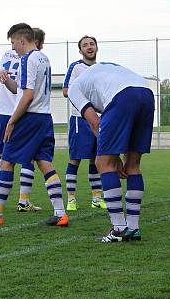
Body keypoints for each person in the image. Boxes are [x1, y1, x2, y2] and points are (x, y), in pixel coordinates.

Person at [0, 24, 68, 226]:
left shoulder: (27, 59)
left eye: (14, 42)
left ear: (22, 40)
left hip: (28, 119)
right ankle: (60, 213)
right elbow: (21, 90)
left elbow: (27, 96)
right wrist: (7, 81)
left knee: (6, 161)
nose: (13, 48)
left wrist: (12, 121)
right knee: (44, 163)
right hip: (44, 118)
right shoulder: (44, 58)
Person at [66, 62, 154, 243]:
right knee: (133, 165)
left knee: (102, 163)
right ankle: (133, 228)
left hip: (122, 96)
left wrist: (112, 156)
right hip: (146, 94)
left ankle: (119, 229)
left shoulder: (74, 88)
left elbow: (95, 123)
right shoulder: (103, 71)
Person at [0, 23, 41, 212]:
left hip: (6, 109)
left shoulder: (8, 56)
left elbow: (5, 78)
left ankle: (0, 199)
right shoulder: (31, 59)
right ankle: (21, 200)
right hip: (20, 109)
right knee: (26, 156)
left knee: (4, 155)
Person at [62, 35, 105, 211]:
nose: (89, 47)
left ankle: (96, 198)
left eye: (92, 44)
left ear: (96, 47)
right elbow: (66, 91)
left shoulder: (102, 69)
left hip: (99, 120)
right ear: (80, 50)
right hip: (80, 120)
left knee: (96, 160)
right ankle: (71, 199)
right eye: (85, 45)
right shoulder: (76, 67)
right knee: (75, 159)